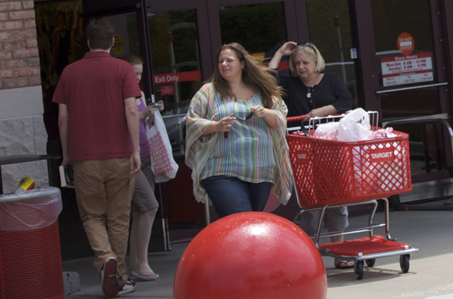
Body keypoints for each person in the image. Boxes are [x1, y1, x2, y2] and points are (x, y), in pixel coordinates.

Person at [52, 19, 141, 298]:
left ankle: (105, 260)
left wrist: (67, 154)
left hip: (84, 158)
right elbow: (131, 111)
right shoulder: (122, 69)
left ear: (87, 42)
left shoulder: (69, 72)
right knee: (119, 218)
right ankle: (122, 278)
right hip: (119, 155)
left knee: (91, 215)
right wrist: (136, 150)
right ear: (112, 42)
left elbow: (63, 117)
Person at [183, 42, 293, 218]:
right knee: (241, 219)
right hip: (221, 170)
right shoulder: (209, 92)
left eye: (229, 60)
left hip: (261, 170)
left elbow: (280, 119)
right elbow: (191, 122)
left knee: (250, 225)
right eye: (220, 61)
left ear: (242, 63)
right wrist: (216, 126)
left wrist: (265, 113)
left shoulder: (262, 90)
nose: (224, 64)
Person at [271, 42, 357, 245]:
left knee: (336, 195)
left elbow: (345, 101)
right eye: (296, 63)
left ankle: (338, 248)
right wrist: (280, 53)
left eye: (305, 62)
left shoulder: (332, 80)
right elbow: (268, 77)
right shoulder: (289, 84)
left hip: (331, 146)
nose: (301, 67)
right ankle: (310, 252)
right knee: (310, 196)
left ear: (316, 62)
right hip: (303, 148)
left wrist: (323, 111)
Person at [125, 55, 160, 283]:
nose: (137, 78)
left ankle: (136, 264)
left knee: (140, 211)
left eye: (139, 73)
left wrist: (150, 113)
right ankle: (141, 263)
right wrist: (142, 114)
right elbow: (121, 120)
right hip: (130, 157)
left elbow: (140, 122)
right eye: (133, 73)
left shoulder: (140, 93)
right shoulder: (121, 93)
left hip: (146, 155)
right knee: (150, 207)